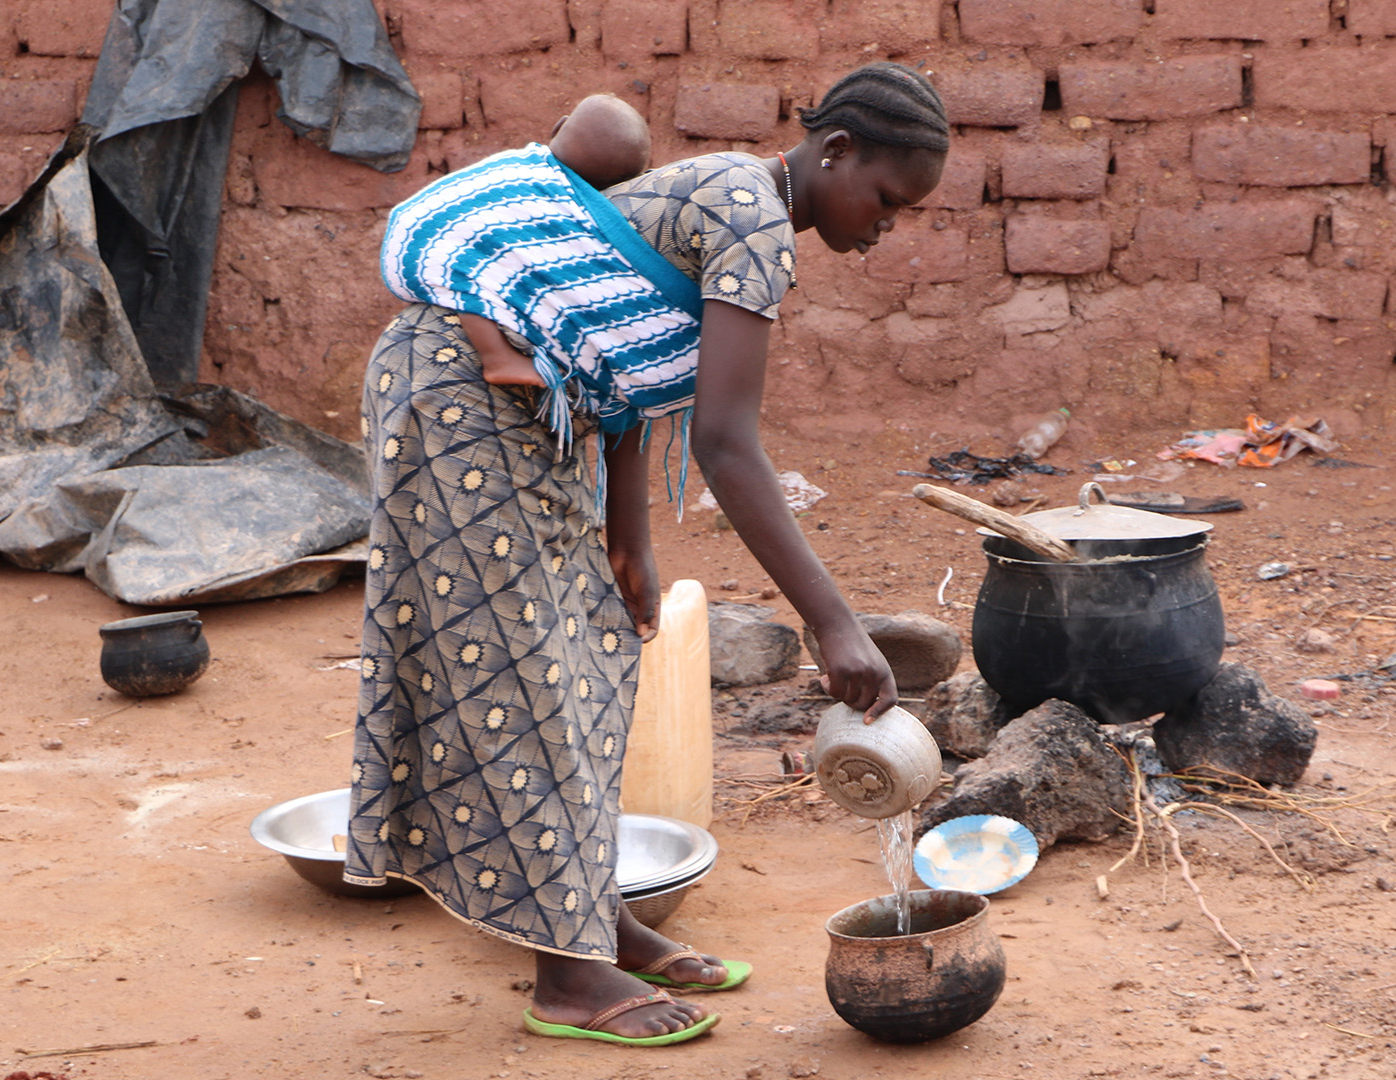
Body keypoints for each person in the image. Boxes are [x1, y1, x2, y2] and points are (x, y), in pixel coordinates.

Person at [346, 62, 950, 1047]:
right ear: (835, 152)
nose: (888, 222)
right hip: (456, 397)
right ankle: (570, 981)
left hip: (523, 412)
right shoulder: (755, 221)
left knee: (594, 646)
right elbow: (724, 442)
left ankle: (592, 921)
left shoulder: (738, 204)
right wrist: (833, 624)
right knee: (530, 671)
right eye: (885, 196)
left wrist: (626, 536)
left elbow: (611, 348)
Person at [465, 93, 653, 388]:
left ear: (558, 127)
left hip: (443, 236)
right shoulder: (529, 180)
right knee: (473, 270)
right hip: (445, 245)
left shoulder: (553, 198)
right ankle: (497, 357)